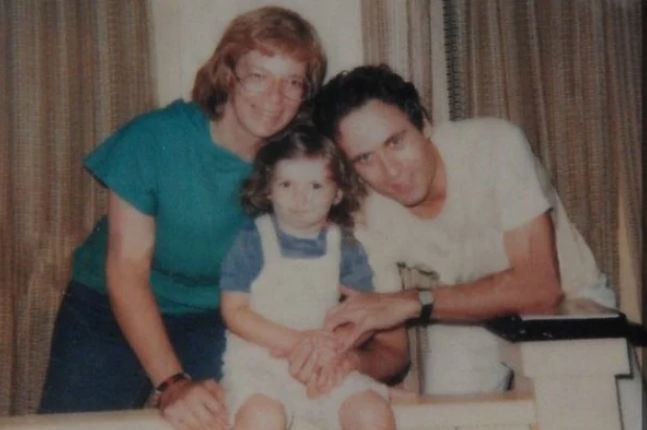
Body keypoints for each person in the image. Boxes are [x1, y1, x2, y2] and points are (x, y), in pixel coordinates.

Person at [39, 7, 326, 430]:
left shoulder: (297, 162)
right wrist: (171, 381)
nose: (275, 97)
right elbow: (127, 269)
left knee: (234, 417)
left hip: (217, 317)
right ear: (228, 74)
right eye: (258, 76)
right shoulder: (155, 139)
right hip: (108, 308)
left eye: (293, 82)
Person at [312, 64, 618, 395]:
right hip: (468, 314)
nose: (391, 170)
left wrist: (413, 301)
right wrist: (351, 361)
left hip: (570, 301)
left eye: (396, 142)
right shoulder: (367, 214)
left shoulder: (494, 144)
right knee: (449, 415)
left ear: (425, 124)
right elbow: (393, 354)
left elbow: (540, 290)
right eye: (365, 159)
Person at [219, 123, 397, 430]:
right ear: (267, 189)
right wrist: (298, 342)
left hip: (324, 364)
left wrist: (334, 348)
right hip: (259, 366)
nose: (301, 198)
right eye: (287, 185)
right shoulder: (252, 240)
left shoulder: (346, 246)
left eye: (316, 186)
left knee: (371, 412)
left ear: (338, 192)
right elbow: (234, 312)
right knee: (262, 418)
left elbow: (364, 315)